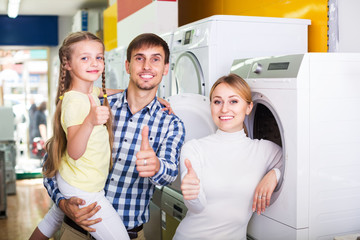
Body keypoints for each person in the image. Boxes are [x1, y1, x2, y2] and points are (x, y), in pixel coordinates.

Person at [41, 33, 185, 240]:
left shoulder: (171, 123)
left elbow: (170, 172)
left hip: (129, 233)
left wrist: (155, 167)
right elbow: (51, 160)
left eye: (155, 59)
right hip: (76, 231)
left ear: (165, 69)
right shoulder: (96, 106)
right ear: (127, 66)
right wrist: (62, 203)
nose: (146, 66)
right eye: (139, 58)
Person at [29, 31, 130, 240]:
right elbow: (74, 151)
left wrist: (134, 93)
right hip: (84, 188)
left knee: (52, 220)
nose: (94, 63)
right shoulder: (75, 101)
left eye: (99, 57)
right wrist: (91, 121)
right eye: (85, 58)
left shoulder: (89, 92)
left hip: (72, 177)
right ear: (67, 64)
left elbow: (105, 91)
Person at [173, 73, 283, 240]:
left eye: (233, 101)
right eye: (217, 102)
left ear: (248, 107)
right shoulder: (194, 148)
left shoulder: (264, 150)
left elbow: (297, 166)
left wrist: (274, 174)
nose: (224, 109)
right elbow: (197, 207)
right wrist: (192, 193)